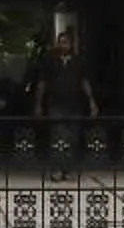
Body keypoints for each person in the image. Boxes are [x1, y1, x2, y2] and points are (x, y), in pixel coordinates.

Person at [28, 30, 99, 181]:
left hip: (75, 105)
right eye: (61, 42)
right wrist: (38, 104)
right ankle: (57, 169)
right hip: (56, 104)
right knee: (58, 138)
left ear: (71, 44)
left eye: (66, 42)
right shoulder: (50, 61)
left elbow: (84, 82)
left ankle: (68, 169)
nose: (63, 44)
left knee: (73, 138)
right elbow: (42, 83)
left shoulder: (79, 61)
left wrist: (92, 101)